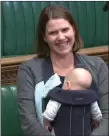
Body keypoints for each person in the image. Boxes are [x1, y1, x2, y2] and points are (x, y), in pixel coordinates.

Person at [17, 5, 108, 136]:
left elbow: (106, 116)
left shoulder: (98, 65)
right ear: (44, 37)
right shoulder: (29, 70)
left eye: (65, 30)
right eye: (53, 33)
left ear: (74, 30)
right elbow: (29, 122)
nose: (61, 37)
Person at [43, 68, 102, 134]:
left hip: (60, 132)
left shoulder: (58, 97)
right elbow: (97, 115)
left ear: (68, 84)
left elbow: (48, 114)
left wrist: (46, 124)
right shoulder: (91, 98)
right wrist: (95, 122)